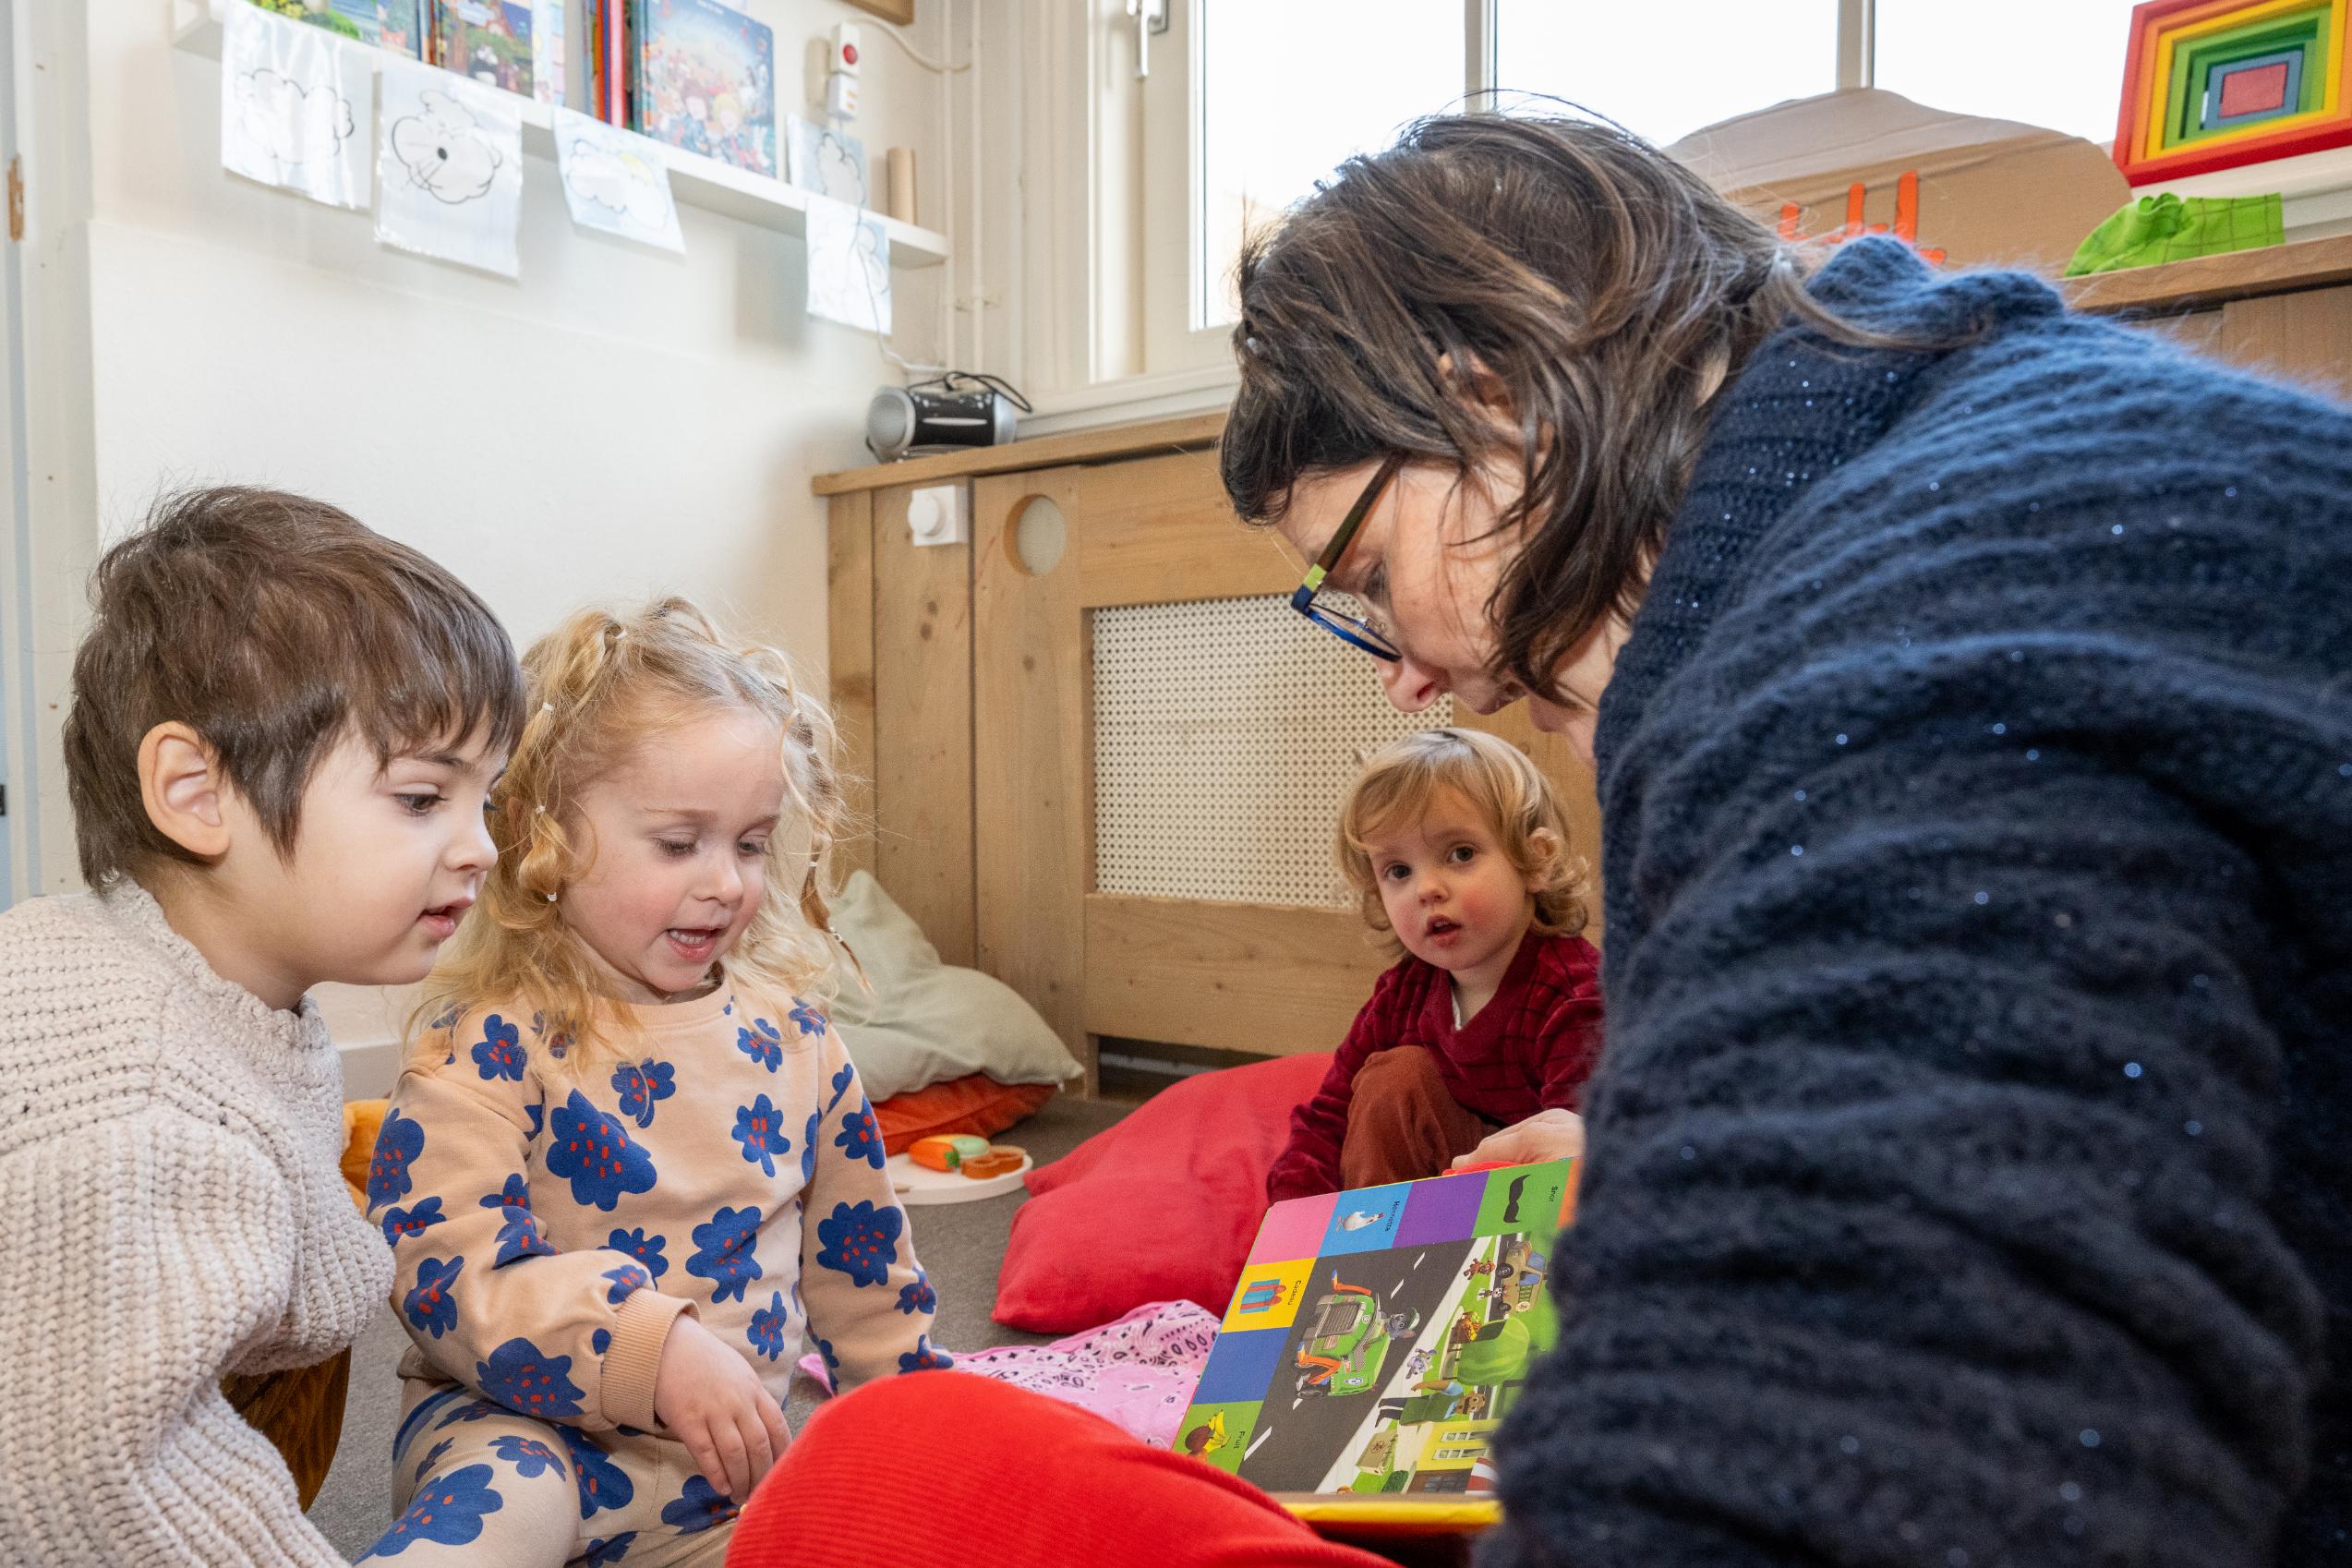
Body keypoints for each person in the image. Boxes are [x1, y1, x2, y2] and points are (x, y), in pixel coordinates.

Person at [740, 112, 2352, 1568]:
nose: (1410, 673)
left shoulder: (1879, 658)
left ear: (1492, 396)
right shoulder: (1964, 442)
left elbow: (1862, 1448)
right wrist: (1670, 1148)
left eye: (1363, 578)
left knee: (888, 1474)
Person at [0, 488, 524, 1567]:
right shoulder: (140, 1118)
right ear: (197, 793)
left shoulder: (217, 979)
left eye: (489, 799)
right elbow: (97, 1491)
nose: (481, 848)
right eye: (424, 799)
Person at [368, 597, 947, 1567]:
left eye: (751, 844)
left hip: (725, 1488)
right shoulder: (483, 1044)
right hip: (522, 1444)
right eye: (680, 844)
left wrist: (922, 1431)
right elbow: (443, 1272)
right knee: (508, 1494)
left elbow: (866, 1279)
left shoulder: (798, 1043)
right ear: (546, 837)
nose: (725, 882)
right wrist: (650, 1347)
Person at [1264, 727, 1602, 1200]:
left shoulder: (1576, 994)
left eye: (1460, 854)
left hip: (1524, 1215)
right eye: (1399, 871)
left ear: (1535, 860)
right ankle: (1362, 1250)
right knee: (1392, 1081)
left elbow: (1578, 1157)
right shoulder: (1403, 992)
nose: (1427, 889)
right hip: (1415, 1213)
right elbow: (1328, 1120)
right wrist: (1288, 1224)